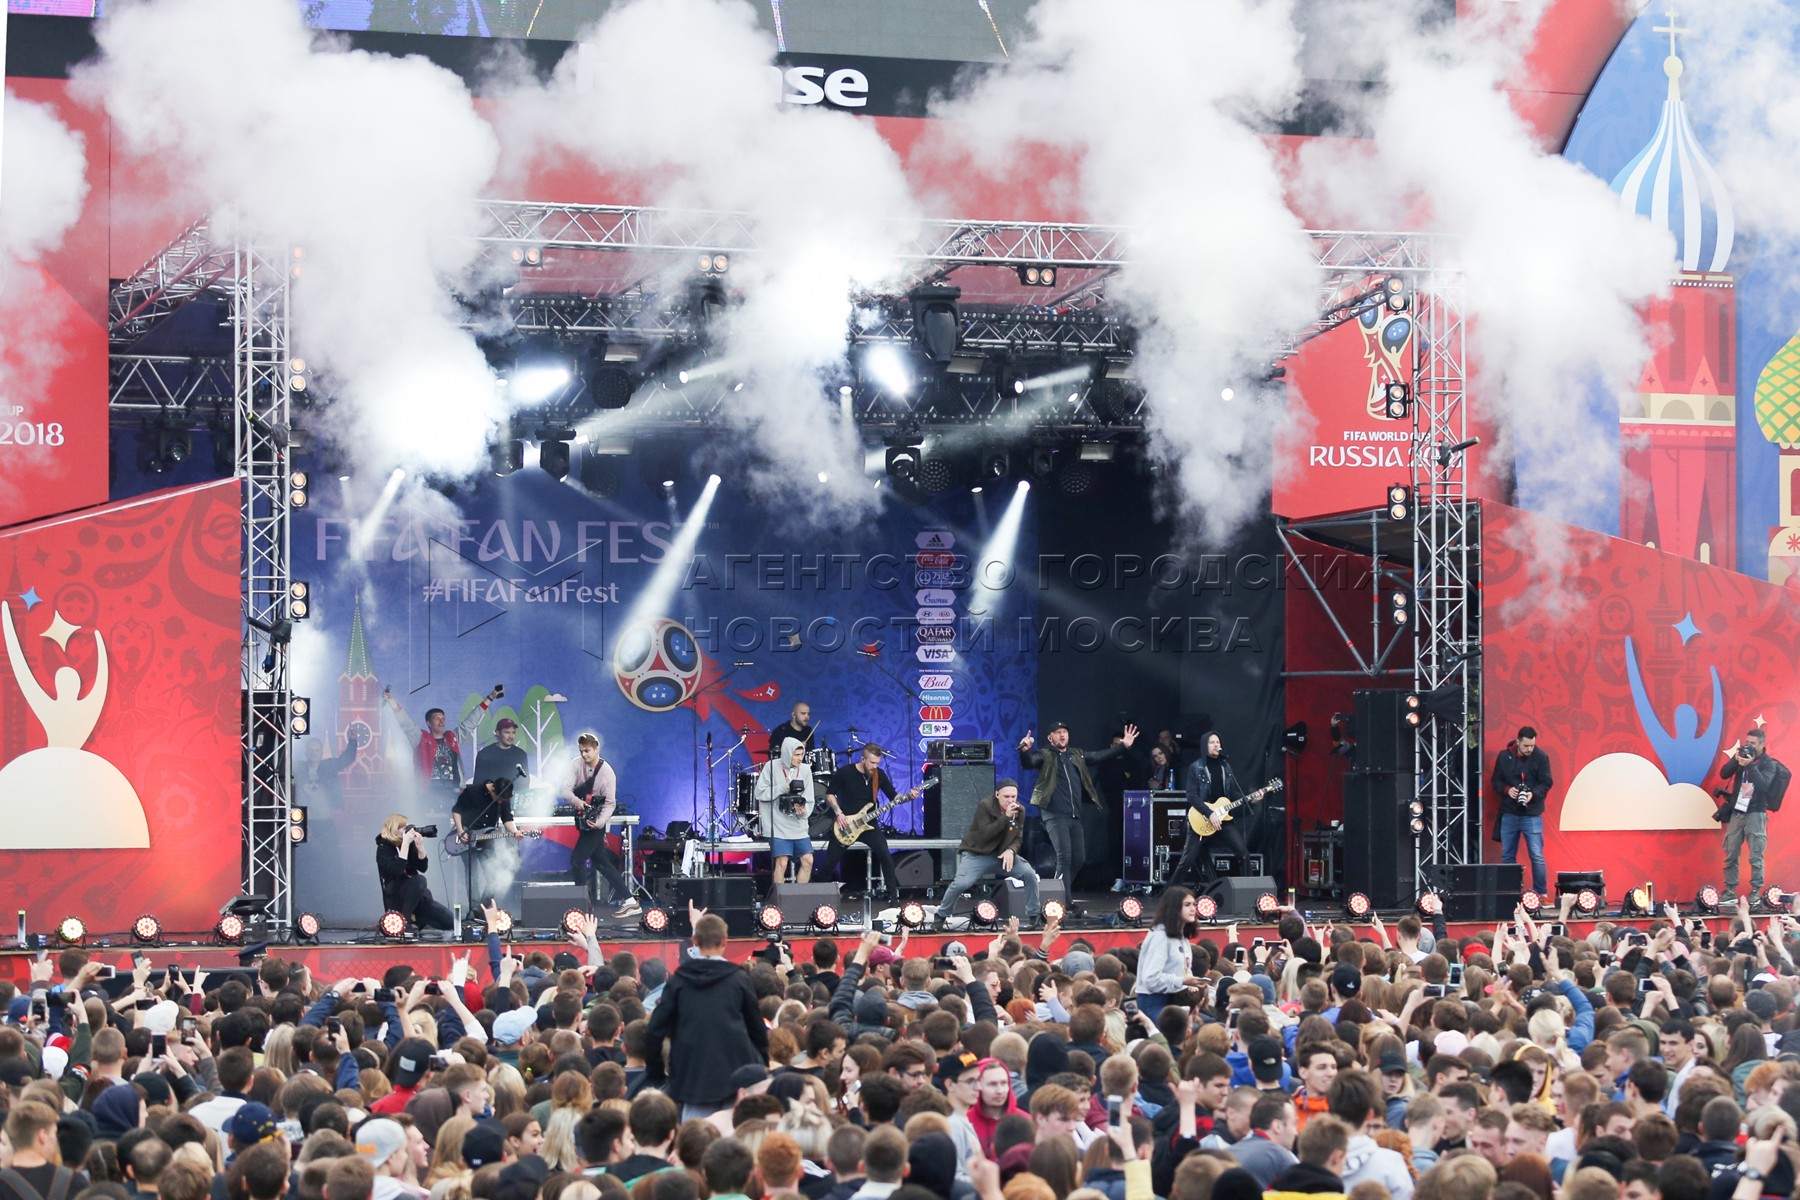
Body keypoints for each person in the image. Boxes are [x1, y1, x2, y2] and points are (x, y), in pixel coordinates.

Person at [643, 909, 768, 1122]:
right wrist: (762, 1066)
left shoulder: (679, 981)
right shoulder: (738, 979)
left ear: (694, 941)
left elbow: (655, 1029)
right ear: (725, 940)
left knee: (695, 1136)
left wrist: (656, 1072)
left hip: (691, 1076)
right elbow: (756, 1028)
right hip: (733, 1075)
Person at [1017, 721, 1138, 886]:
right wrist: (1024, 751)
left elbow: (1099, 756)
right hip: (1054, 814)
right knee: (1065, 857)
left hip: (1073, 815)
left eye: (1064, 732)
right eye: (1058, 732)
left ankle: (1057, 891)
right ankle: (1061, 897)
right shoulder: (1045, 754)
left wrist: (1123, 747)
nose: (1062, 735)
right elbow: (1029, 762)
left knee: (1079, 859)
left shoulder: (1076, 755)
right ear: (1050, 738)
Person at [931, 777, 1039, 927]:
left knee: (1029, 874)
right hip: (978, 853)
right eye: (1006, 796)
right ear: (997, 794)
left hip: (1001, 854)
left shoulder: (1020, 810)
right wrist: (1005, 817)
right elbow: (985, 834)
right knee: (961, 884)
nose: (1010, 800)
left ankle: (1034, 915)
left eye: (1013, 797)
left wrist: (1011, 850)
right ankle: (941, 915)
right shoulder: (985, 806)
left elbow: (1018, 837)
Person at [818, 746, 917, 900]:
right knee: (829, 863)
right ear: (863, 759)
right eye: (872, 763)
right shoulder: (845, 772)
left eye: (877, 763)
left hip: (869, 825)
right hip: (846, 824)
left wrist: (908, 797)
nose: (874, 766)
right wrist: (839, 813)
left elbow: (894, 797)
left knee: (886, 856)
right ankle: (817, 896)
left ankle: (893, 898)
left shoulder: (879, 775)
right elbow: (830, 794)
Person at [562, 733, 635, 919]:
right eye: (581, 751)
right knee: (601, 863)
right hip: (582, 818)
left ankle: (582, 905)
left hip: (597, 823)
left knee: (577, 859)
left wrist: (599, 822)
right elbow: (565, 791)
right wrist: (577, 802)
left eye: (587, 751)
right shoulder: (575, 765)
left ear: (596, 749)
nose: (584, 754)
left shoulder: (607, 772)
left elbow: (610, 803)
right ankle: (630, 901)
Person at [1172, 733, 1258, 887]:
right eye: (1211, 742)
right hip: (1202, 817)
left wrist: (1251, 799)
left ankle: (1248, 890)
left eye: (1218, 742)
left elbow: (1232, 793)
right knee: (1187, 861)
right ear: (1204, 745)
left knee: (1243, 854)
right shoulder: (1196, 767)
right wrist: (1210, 813)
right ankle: (1168, 894)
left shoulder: (1225, 767)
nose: (1216, 745)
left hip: (1223, 818)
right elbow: (1191, 795)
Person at [386, 684, 502, 794]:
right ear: (428, 723)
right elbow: (406, 723)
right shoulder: (420, 739)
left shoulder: (452, 739)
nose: (441, 722)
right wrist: (391, 700)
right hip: (429, 794)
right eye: (437, 719)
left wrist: (490, 697)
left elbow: (470, 722)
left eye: (443, 719)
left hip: (454, 793)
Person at [1717, 728, 1790, 899]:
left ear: (1762, 744)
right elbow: (1724, 773)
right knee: (1731, 853)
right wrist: (1736, 760)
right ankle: (1730, 890)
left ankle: (1755, 891)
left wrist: (1750, 765)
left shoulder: (1768, 763)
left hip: (1755, 813)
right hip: (1738, 811)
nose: (1748, 746)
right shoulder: (1741, 756)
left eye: (1753, 743)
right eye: (1747, 742)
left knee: (1756, 855)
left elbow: (1763, 785)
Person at [1491, 725, 1554, 895]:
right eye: (1526, 746)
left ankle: (1541, 894)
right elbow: (1496, 780)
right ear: (1518, 742)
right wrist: (1507, 790)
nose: (1529, 749)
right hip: (1509, 812)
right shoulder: (1504, 756)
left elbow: (1546, 782)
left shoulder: (1541, 757)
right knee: (1507, 855)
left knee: (1536, 855)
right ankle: (1510, 893)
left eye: (1532, 746)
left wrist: (1533, 794)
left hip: (1532, 814)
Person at [757, 737, 818, 891]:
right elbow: (760, 793)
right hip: (777, 824)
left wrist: (803, 811)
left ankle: (799, 897)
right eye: (796, 755)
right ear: (787, 754)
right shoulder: (771, 767)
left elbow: (809, 799)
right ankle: (779, 900)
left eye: (801, 754)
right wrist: (784, 788)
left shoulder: (805, 770)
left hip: (798, 825)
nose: (800, 758)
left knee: (808, 860)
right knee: (782, 862)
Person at [374, 813, 454, 932]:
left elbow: (422, 867)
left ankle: (416, 918)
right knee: (420, 880)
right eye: (403, 828)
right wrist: (405, 844)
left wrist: (420, 847)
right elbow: (398, 870)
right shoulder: (383, 848)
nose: (408, 831)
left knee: (450, 922)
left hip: (417, 896)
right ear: (394, 829)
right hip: (397, 894)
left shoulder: (408, 844)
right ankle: (405, 920)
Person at [451, 777, 520, 907]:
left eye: (503, 800)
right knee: (472, 874)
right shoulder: (472, 791)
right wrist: (460, 831)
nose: (500, 801)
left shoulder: (504, 796)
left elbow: (507, 818)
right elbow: (456, 811)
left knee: (494, 876)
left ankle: (483, 907)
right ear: (492, 789)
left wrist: (515, 831)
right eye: (499, 799)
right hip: (468, 836)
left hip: (487, 839)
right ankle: (474, 908)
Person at [1134, 887, 1202, 1021]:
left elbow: (1184, 970)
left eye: (1194, 905)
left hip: (1175, 999)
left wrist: (1193, 983)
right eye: (1187, 905)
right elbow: (1151, 979)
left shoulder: (1182, 936)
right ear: (1174, 908)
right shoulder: (1160, 937)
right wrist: (1183, 981)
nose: (1193, 909)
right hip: (1153, 1002)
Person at [473, 718, 529, 789]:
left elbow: (524, 783)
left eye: (513, 732)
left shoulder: (521, 754)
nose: (511, 736)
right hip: (490, 795)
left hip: (514, 795)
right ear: (497, 733)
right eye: (507, 732)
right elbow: (478, 784)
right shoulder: (484, 754)